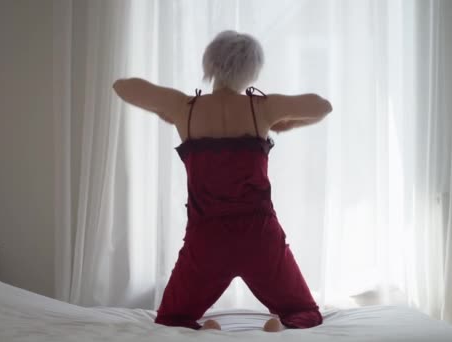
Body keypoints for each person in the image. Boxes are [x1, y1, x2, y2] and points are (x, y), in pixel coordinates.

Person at [113, 30, 332, 332]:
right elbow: (322, 106)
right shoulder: (262, 108)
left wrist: (168, 107)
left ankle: (209, 333)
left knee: (172, 320)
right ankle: (277, 330)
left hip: (206, 240)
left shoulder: (184, 108)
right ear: (252, 70)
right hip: (260, 236)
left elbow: (122, 87)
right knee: (304, 313)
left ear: (210, 64)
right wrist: (285, 124)